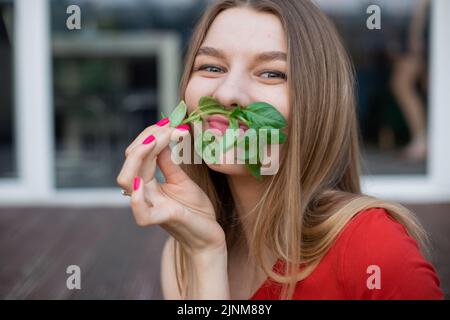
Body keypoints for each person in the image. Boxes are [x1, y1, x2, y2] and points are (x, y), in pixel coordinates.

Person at [116, 0, 443, 300]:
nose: (228, 93)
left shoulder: (374, 247)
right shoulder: (181, 254)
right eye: (212, 67)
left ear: (317, 104)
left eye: (271, 73)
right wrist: (206, 254)